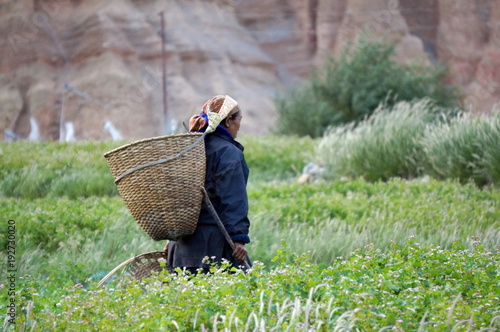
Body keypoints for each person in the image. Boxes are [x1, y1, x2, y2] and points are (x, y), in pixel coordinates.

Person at [166, 95, 251, 274]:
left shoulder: (189, 148)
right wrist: (239, 239)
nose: (239, 126)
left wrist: (170, 239)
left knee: (182, 300)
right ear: (228, 121)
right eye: (239, 120)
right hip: (213, 246)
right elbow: (233, 199)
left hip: (180, 247)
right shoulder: (229, 153)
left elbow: (176, 197)